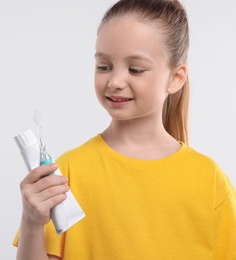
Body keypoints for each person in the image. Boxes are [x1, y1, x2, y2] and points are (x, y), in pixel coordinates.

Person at [13, 0, 236, 259]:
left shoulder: (209, 181)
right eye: (104, 66)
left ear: (175, 78)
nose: (115, 81)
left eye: (135, 69)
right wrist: (31, 222)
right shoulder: (68, 173)